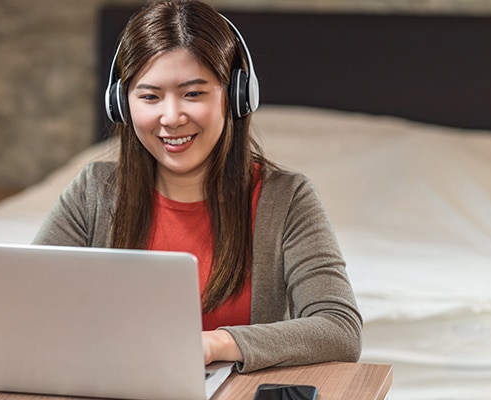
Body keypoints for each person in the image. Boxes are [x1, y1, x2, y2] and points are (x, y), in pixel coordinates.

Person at [33, 0, 362, 373]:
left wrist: (216, 343)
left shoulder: (286, 198)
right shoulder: (92, 190)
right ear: (122, 104)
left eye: (193, 93)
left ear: (235, 97)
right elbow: (30, 304)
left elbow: (340, 329)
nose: (171, 118)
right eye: (150, 96)